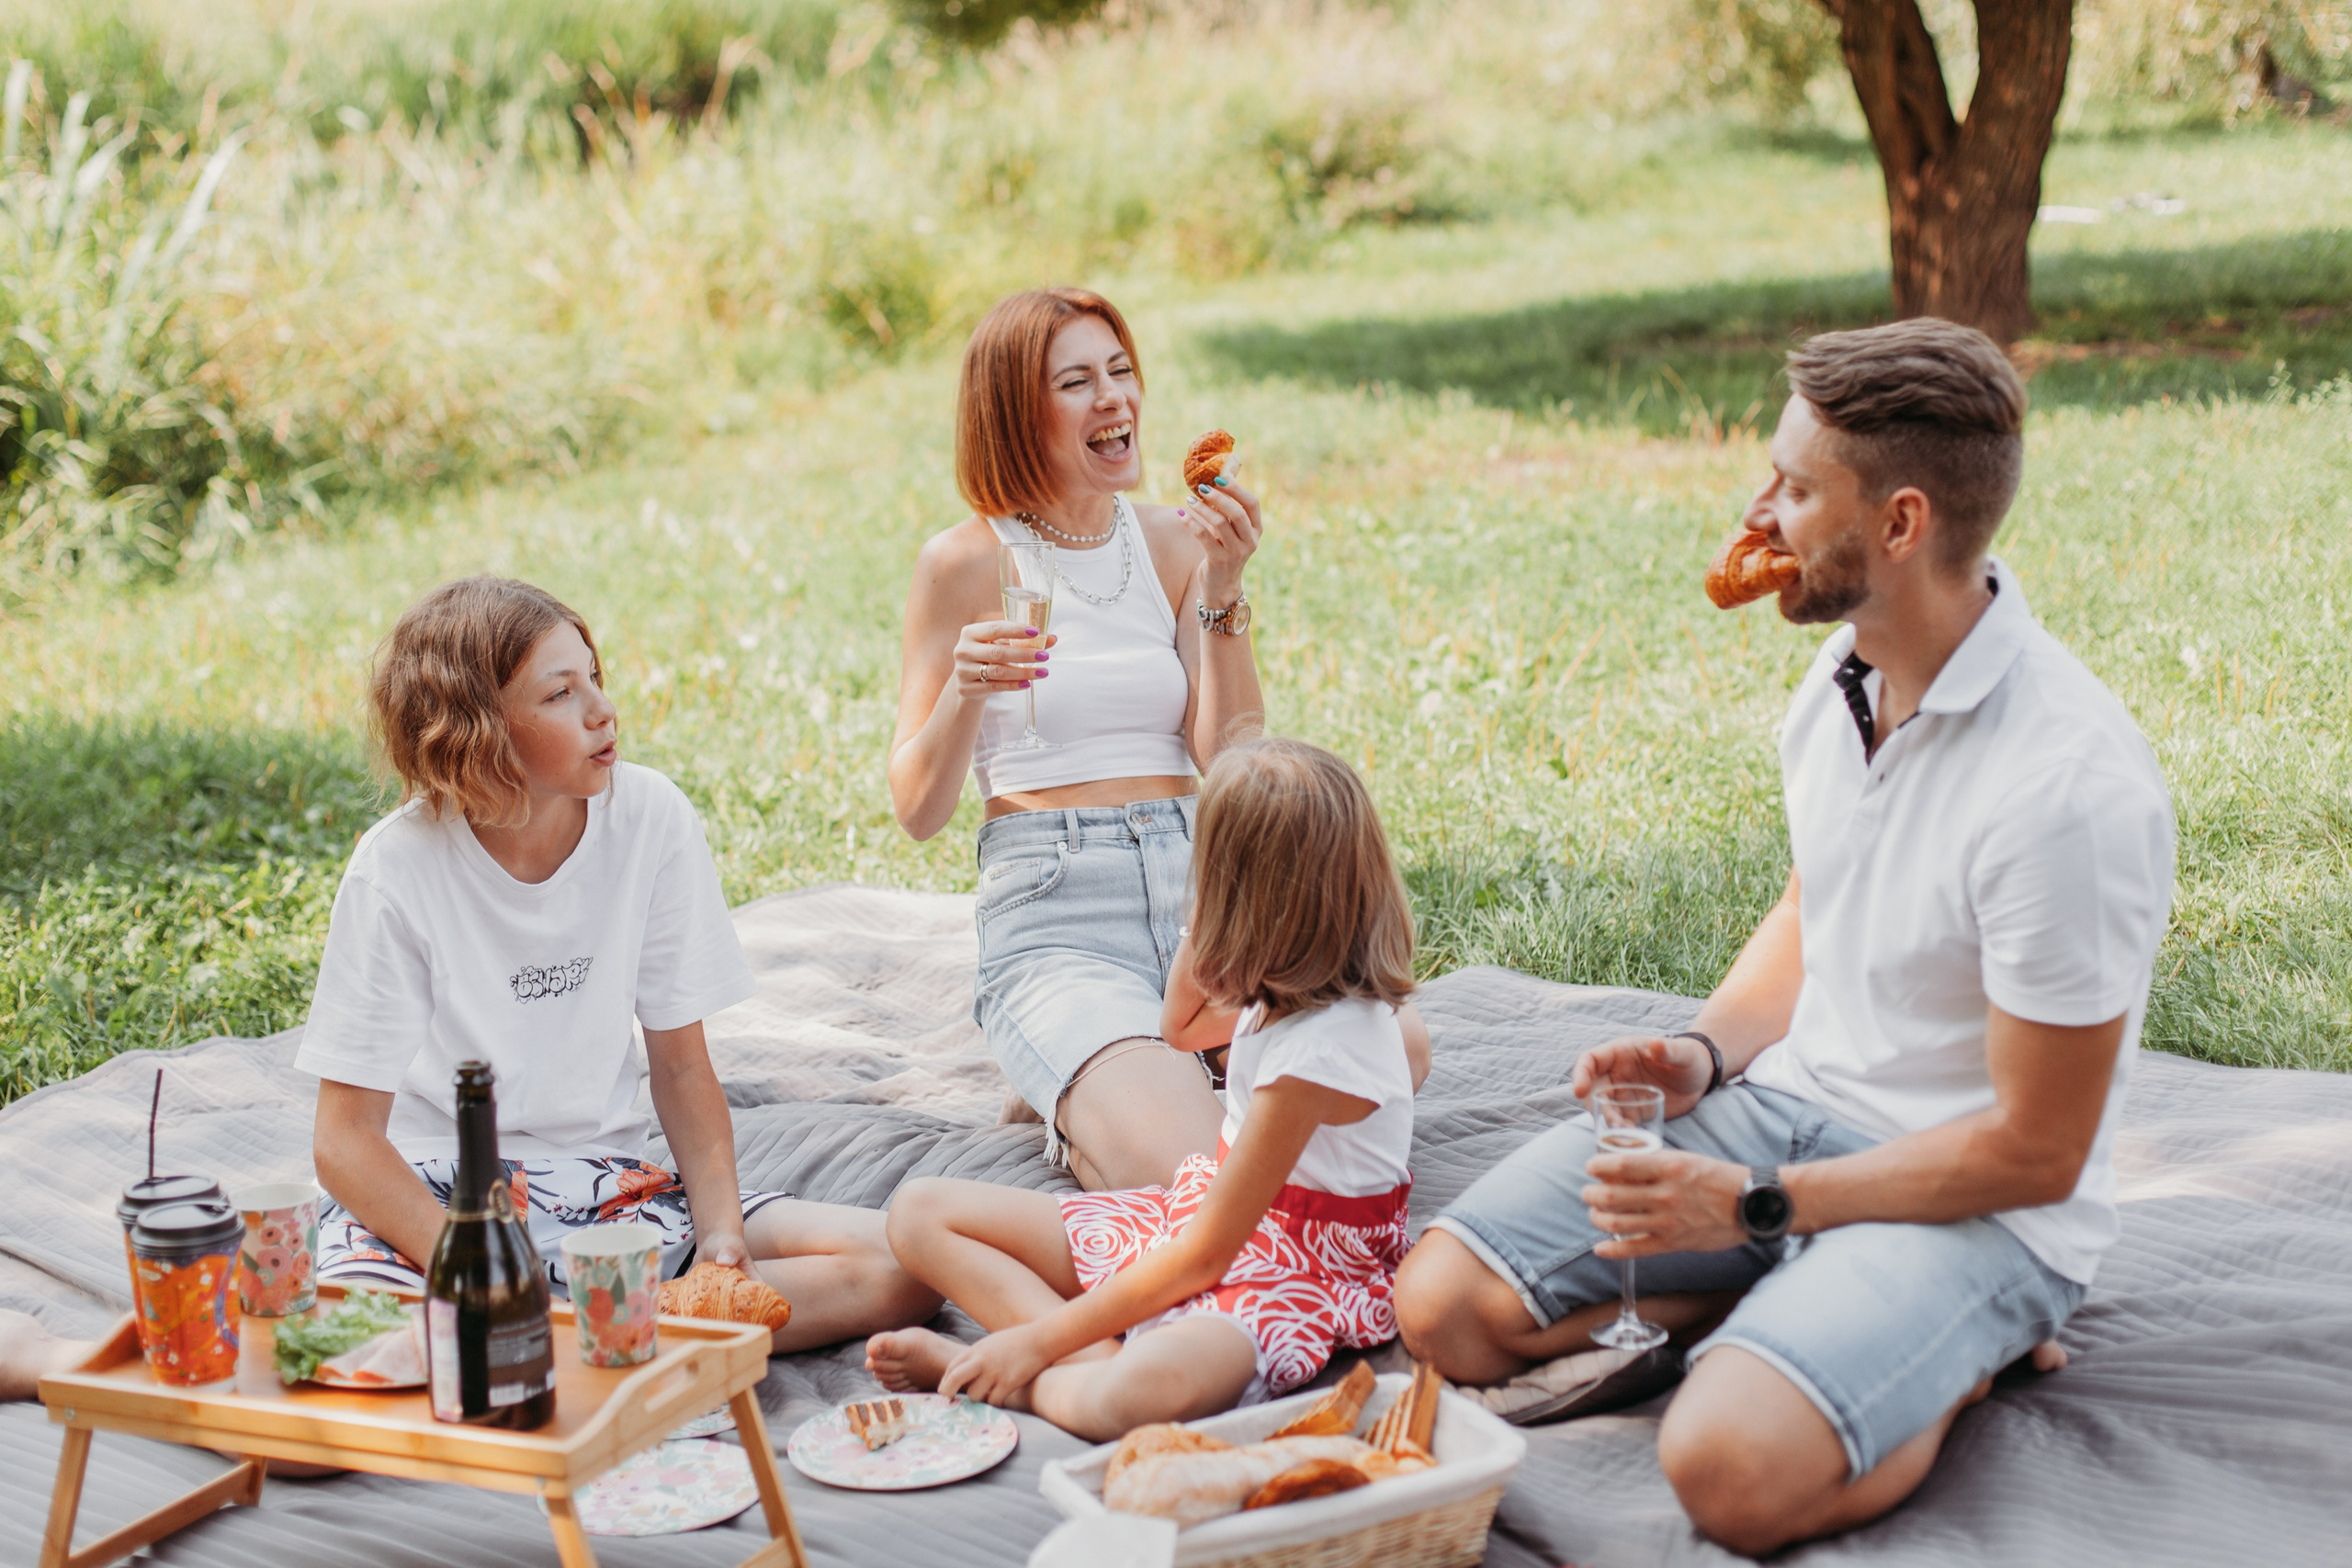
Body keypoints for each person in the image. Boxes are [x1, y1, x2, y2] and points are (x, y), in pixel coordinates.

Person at [1393, 320, 2177, 1554]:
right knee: (1444, 1306)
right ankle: (1801, 1292)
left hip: (1973, 1193)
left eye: (1798, 487)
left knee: (1726, 1464)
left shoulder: (2066, 786)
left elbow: (2037, 1146)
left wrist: (1751, 1203)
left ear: (1903, 523)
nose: (1757, 510)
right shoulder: (1840, 678)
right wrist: (1704, 1054)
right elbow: (1822, 901)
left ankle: (1961, 1350)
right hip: (1792, 1118)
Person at [298, 576, 940, 1351]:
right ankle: (597, 1331)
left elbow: (680, 1068)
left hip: (605, 1195)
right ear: (478, 732)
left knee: (905, 1268)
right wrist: (480, 1272)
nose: (603, 710)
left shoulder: (649, 817)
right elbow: (345, 1141)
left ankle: (579, 1332)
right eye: (560, 694)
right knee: (344, 1350)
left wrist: (723, 1238)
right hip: (438, 1202)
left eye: (594, 678)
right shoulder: (396, 868)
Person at [865, 738, 1430, 1438]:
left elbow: (1207, 1256)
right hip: (1208, 1215)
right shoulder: (1289, 986)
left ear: (1245, 894)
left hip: (1299, 1268)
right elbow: (1179, 1027)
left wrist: (1033, 1338)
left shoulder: (1321, 1048)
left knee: (1139, 1395)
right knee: (919, 1210)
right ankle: (1089, 1359)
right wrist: (1204, 916)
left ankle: (1026, 1372)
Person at [887, 286, 1273, 1191]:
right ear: (1015, 416)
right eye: (1076, 382)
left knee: (1390, 1059)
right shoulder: (965, 563)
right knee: (1190, 1167)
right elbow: (915, 809)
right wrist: (964, 692)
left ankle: (1098, 1077)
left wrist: (1224, 583)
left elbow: (1234, 756)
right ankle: (1105, 1076)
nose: (1114, 399)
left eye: (1121, 371)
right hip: (1059, 906)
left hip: (1202, 895)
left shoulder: (1177, 545)